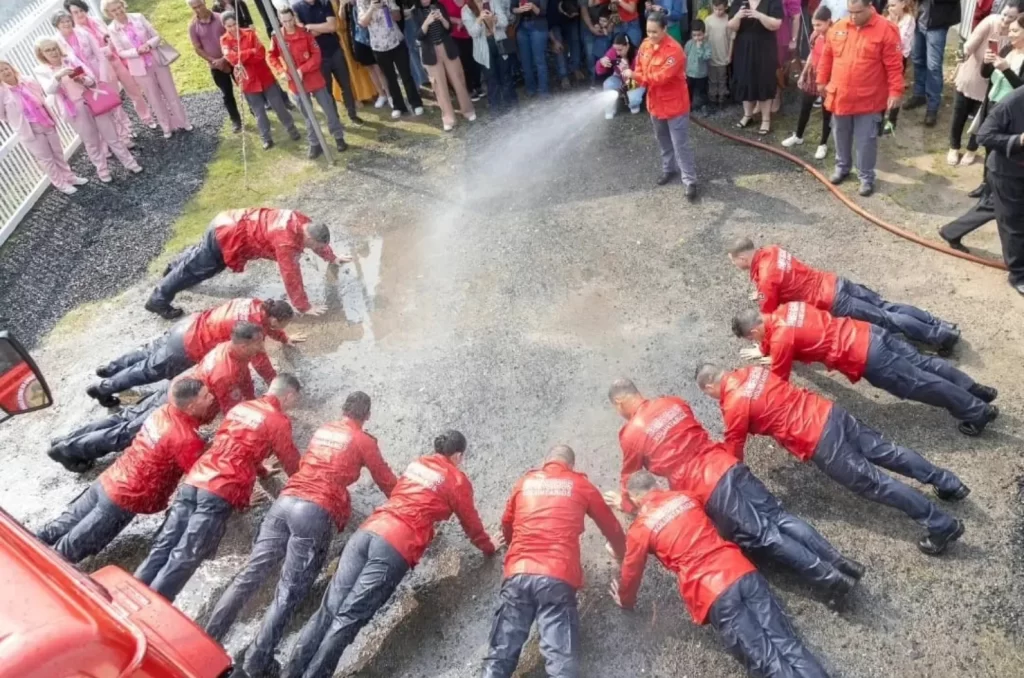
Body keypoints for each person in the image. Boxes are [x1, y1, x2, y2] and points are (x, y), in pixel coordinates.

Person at [606, 379, 861, 596]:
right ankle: (842, 562)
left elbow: (630, 476)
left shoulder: (631, 435)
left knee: (764, 535)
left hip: (707, 486)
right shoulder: (673, 402)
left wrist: (626, 503)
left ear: (618, 404)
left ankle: (830, 578)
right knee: (779, 516)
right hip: (726, 464)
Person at [205, 391, 397, 678]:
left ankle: (210, 638)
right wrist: (404, 503)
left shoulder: (324, 430)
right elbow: (385, 479)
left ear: (343, 410)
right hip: (314, 511)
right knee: (288, 591)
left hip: (285, 501)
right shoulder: (363, 441)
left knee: (251, 574)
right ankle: (258, 661)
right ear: (366, 416)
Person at [282, 430, 496, 678]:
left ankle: (292, 672)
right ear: (458, 455)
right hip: (395, 544)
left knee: (329, 609)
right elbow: (470, 523)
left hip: (368, 532)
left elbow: (401, 494)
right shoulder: (456, 480)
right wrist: (489, 546)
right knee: (349, 618)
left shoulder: (417, 465)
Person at [696, 363, 968, 555]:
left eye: (707, 394)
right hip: (828, 411)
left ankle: (940, 524)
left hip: (819, 438)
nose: (711, 398)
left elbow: (734, 450)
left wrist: (720, 469)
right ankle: (949, 483)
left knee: (877, 483)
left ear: (710, 385)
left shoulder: (733, 404)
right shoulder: (751, 371)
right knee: (888, 450)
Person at [610, 471, 832, 678]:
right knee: (790, 645)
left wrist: (625, 599)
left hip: (712, 591)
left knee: (765, 659)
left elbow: (632, 569)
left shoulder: (641, 529)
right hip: (740, 570)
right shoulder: (686, 497)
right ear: (657, 483)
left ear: (637, 500)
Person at [135, 374, 303, 602]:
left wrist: (261, 470)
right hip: (219, 489)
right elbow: (290, 459)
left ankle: (132, 595)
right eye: (295, 400)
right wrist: (304, 487)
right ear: (289, 395)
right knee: (186, 555)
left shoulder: (241, 408)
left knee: (164, 546)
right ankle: (151, 609)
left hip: (195, 480)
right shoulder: (278, 421)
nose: (294, 406)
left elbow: (237, 447)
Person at [731, 304, 999, 435]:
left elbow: (779, 380)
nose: (755, 342)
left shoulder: (780, 340)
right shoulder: (789, 308)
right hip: (867, 332)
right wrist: (768, 348)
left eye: (752, 338)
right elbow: (803, 337)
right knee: (923, 363)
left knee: (919, 383)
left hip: (866, 356)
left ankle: (977, 411)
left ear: (755, 329)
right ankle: (973, 390)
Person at [480, 445, 627, 677]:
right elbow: (612, 528)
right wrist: (621, 554)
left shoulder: (524, 483)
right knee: (561, 664)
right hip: (557, 577)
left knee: (500, 656)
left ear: (545, 461)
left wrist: (511, 547)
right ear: (571, 465)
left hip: (518, 572)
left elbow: (507, 523)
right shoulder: (581, 485)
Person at [37, 379, 213, 563]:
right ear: (192, 406)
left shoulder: (161, 413)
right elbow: (200, 476)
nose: (211, 398)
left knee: (54, 530)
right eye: (206, 396)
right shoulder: (185, 439)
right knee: (64, 554)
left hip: (108, 480)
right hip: (122, 500)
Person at [47, 325, 266, 472]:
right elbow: (233, 415)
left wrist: (254, 401)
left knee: (126, 417)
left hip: (177, 390)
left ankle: (67, 439)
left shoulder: (226, 348)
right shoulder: (225, 373)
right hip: (176, 407)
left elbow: (243, 379)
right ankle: (68, 450)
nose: (262, 346)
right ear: (244, 345)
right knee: (126, 433)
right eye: (258, 342)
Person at [726, 238, 961, 352]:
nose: (735, 266)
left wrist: (764, 348)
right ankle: (940, 324)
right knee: (886, 307)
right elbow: (785, 279)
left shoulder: (767, 277)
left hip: (832, 300)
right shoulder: (771, 251)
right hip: (835, 282)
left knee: (885, 319)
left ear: (743, 258)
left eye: (733, 262)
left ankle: (940, 336)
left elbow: (767, 319)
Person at [87, 297, 296, 408]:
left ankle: (109, 369)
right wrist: (277, 388)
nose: (281, 329)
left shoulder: (258, 305)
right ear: (274, 319)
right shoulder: (253, 328)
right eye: (283, 325)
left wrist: (284, 338)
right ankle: (103, 388)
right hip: (189, 345)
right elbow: (260, 362)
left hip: (189, 325)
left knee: (147, 353)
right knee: (149, 370)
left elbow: (268, 328)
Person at [145, 207, 349, 320]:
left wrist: (332, 257)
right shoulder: (286, 242)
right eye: (316, 246)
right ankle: (158, 299)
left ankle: (173, 268)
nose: (316, 248)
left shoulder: (302, 221)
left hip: (230, 222)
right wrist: (303, 306)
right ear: (310, 239)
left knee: (200, 257)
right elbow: (291, 276)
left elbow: (319, 244)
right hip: (227, 235)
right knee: (202, 268)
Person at [815, 0, 903, 197]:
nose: (853, 16)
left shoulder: (886, 30)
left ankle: (866, 177)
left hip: (869, 99)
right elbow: (827, 57)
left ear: (870, 7)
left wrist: (895, 91)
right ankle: (843, 167)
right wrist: (821, 80)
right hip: (841, 97)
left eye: (858, 12)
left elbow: (894, 66)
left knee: (866, 141)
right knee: (840, 134)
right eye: (850, 12)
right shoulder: (838, 27)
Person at [33, 37, 142, 184]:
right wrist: (58, 76)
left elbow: (92, 79)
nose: (53, 52)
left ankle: (130, 163)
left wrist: (83, 80)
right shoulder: (43, 71)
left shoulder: (71, 60)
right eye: (48, 50)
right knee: (91, 142)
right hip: (74, 110)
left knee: (111, 135)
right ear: (42, 54)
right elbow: (50, 90)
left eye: (54, 48)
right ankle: (103, 171)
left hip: (91, 99)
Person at [632, 12, 699, 200]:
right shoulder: (645, 45)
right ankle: (669, 169)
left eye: (655, 32)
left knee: (680, 144)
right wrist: (636, 75)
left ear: (664, 29)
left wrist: (635, 77)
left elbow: (660, 78)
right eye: (648, 31)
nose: (651, 35)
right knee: (663, 141)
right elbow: (639, 66)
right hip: (655, 104)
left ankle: (690, 180)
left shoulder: (674, 50)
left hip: (675, 106)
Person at [104, 0, 193, 139]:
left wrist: (149, 45)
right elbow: (120, 51)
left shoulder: (138, 17)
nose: (118, 11)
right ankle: (166, 127)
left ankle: (184, 122)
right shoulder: (112, 29)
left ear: (123, 5)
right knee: (154, 99)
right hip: (139, 68)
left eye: (119, 7)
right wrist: (136, 51)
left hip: (156, 60)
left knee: (171, 94)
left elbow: (156, 35)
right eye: (113, 10)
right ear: (109, 13)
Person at [270, 7, 350, 158]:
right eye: (284, 21)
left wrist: (303, 69)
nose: (288, 24)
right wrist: (281, 71)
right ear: (280, 20)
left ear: (294, 18)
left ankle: (338, 137)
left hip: (313, 77)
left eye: (290, 20)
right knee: (307, 114)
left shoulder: (305, 34)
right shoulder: (277, 37)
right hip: (295, 83)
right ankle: (315, 143)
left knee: (328, 109)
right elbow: (272, 56)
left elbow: (316, 55)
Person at [0, 60, 87, 196]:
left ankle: (69, 176)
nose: (5, 72)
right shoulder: (2, 93)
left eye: (6, 68)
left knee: (57, 152)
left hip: (45, 120)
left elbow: (40, 94)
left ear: (12, 68)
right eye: (1, 71)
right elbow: (2, 115)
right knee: (46, 158)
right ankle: (60, 183)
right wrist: (16, 120)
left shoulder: (25, 81)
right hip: (29, 128)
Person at [65, 0, 154, 129]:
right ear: (70, 15)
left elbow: (111, 35)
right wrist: (103, 51)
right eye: (75, 12)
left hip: (116, 59)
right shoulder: (76, 33)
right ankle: (125, 129)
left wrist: (111, 43)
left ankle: (147, 117)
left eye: (81, 10)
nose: (80, 14)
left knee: (134, 89)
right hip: (103, 67)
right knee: (114, 98)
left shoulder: (96, 21)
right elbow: (84, 56)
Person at [221, 11, 302, 151]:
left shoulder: (250, 33)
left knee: (279, 106)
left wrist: (244, 56)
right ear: (224, 26)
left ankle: (292, 129)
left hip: (265, 77)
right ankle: (266, 137)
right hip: (248, 82)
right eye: (229, 26)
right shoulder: (224, 40)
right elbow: (232, 59)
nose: (233, 28)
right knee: (259, 112)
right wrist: (249, 52)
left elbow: (260, 53)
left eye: (234, 24)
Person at [53, 9, 134, 148]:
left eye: (67, 20)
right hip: (79, 80)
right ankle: (107, 143)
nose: (66, 24)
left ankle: (125, 135)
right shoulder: (56, 42)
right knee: (95, 110)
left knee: (112, 104)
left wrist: (102, 77)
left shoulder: (83, 33)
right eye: (62, 22)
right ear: (56, 25)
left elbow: (99, 55)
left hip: (96, 72)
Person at [977, 86, 1024, 295]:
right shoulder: (1012, 102)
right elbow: (984, 135)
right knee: (1013, 224)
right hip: (1007, 174)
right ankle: (1018, 276)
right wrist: (1019, 140)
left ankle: (953, 231)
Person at [292, 0, 364, 124]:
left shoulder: (325, 2)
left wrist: (310, 26)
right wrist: (323, 28)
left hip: (335, 51)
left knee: (346, 85)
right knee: (327, 91)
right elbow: (304, 33)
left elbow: (332, 26)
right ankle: (335, 119)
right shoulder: (296, 8)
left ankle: (352, 114)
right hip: (318, 58)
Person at [414, 0, 477, 131]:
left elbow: (449, 28)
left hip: (447, 46)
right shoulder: (416, 11)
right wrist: (427, 22)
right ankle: (448, 118)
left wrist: (441, 18)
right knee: (439, 86)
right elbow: (419, 36)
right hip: (430, 52)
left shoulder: (439, 6)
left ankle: (468, 110)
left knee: (458, 79)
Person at [357, 0, 425, 117]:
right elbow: (363, 22)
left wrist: (388, 7)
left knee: (406, 74)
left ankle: (415, 103)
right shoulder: (362, 2)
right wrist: (372, 8)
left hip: (396, 41)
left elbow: (398, 17)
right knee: (390, 78)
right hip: (379, 46)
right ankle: (399, 106)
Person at [781, 5, 833, 160]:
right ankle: (798, 135)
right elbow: (812, 54)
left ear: (829, 22)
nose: (815, 28)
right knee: (805, 107)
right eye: (814, 24)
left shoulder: (834, 38)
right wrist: (803, 73)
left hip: (828, 78)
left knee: (826, 113)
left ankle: (823, 144)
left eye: (819, 25)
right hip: (812, 74)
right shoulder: (815, 35)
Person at [728, 0, 783, 135]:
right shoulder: (739, 2)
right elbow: (731, 26)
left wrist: (759, 15)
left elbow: (776, 25)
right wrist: (737, 17)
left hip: (765, 47)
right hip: (743, 47)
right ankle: (748, 115)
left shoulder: (772, 2)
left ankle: (766, 120)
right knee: (745, 79)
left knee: (763, 80)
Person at [188, 0, 243, 134]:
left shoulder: (220, 18)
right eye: (195, 7)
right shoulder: (193, 27)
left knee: (245, 86)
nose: (198, 9)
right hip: (216, 67)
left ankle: (255, 111)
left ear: (204, 2)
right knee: (227, 94)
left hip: (233, 60)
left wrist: (225, 58)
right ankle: (235, 120)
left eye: (200, 5)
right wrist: (214, 61)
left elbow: (233, 37)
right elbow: (198, 48)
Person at [903, 0, 961, 126]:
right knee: (918, 59)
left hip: (938, 23)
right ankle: (919, 95)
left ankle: (932, 106)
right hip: (920, 19)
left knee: (933, 66)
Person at [463, 0, 517, 111]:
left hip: (499, 42)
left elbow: (505, 21)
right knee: (491, 79)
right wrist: (479, 19)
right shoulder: (466, 10)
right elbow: (473, 33)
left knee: (505, 75)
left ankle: (511, 104)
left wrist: (494, 19)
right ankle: (495, 108)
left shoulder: (493, 2)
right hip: (484, 49)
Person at [347, 0, 393, 108]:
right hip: (359, 37)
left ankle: (390, 95)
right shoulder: (349, 6)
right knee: (370, 68)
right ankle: (381, 94)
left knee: (379, 68)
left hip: (373, 34)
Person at [440, 0, 485, 99]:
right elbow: (441, 16)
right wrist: (457, 21)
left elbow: (478, 9)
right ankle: (470, 88)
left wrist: (466, 20)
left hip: (473, 33)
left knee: (476, 61)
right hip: (456, 35)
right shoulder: (443, 1)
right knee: (465, 63)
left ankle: (478, 85)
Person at [883, 0, 914, 133]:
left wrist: (894, 24)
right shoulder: (886, 18)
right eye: (889, 5)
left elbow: (899, 41)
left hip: (899, 58)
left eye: (893, 5)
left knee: (895, 87)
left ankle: (892, 120)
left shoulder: (909, 20)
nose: (890, 9)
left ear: (903, 4)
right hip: (884, 57)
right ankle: (880, 114)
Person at [597, 34, 644, 117]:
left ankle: (633, 104)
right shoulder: (613, 52)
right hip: (619, 77)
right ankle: (609, 109)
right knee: (608, 84)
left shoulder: (637, 55)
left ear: (627, 46)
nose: (617, 52)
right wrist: (601, 63)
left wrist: (626, 70)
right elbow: (599, 72)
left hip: (636, 80)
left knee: (633, 100)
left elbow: (641, 78)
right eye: (615, 49)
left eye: (620, 50)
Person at [514, 0, 553, 97]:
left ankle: (543, 90)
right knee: (525, 61)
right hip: (522, 27)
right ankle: (530, 89)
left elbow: (543, 12)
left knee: (539, 60)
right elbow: (512, 8)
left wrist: (532, 7)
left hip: (538, 26)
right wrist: (519, 10)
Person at [704, 0, 731, 108]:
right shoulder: (708, 20)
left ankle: (722, 98)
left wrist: (729, 55)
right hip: (711, 55)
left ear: (725, 7)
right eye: (715, 9)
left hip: (723, 55)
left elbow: (731, 39)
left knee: (722, 78)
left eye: (720, 9)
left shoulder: (729, 19)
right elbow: (704, 38)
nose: (718, 12)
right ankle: (712, 98)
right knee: (712, 79)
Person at [551, 0, 584, 88]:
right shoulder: (553, 8)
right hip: (554, 19)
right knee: (559, 47)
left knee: (575, 41)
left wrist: (573, 11)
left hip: (571, 13)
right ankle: (563, 75)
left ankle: (576, 68)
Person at [684, 19, 711, 110]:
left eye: (699, 35)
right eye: (694, 35)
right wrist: (684, 70)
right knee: (689, 90)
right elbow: (685, 56)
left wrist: (700, 49)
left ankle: (704, 105)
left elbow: (706, 57)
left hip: (702, 74)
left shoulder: (706, 45)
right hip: (690, 73)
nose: (697, 38)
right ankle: (688, 105)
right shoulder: (689, 44)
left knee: (702, 91)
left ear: (704, 33)